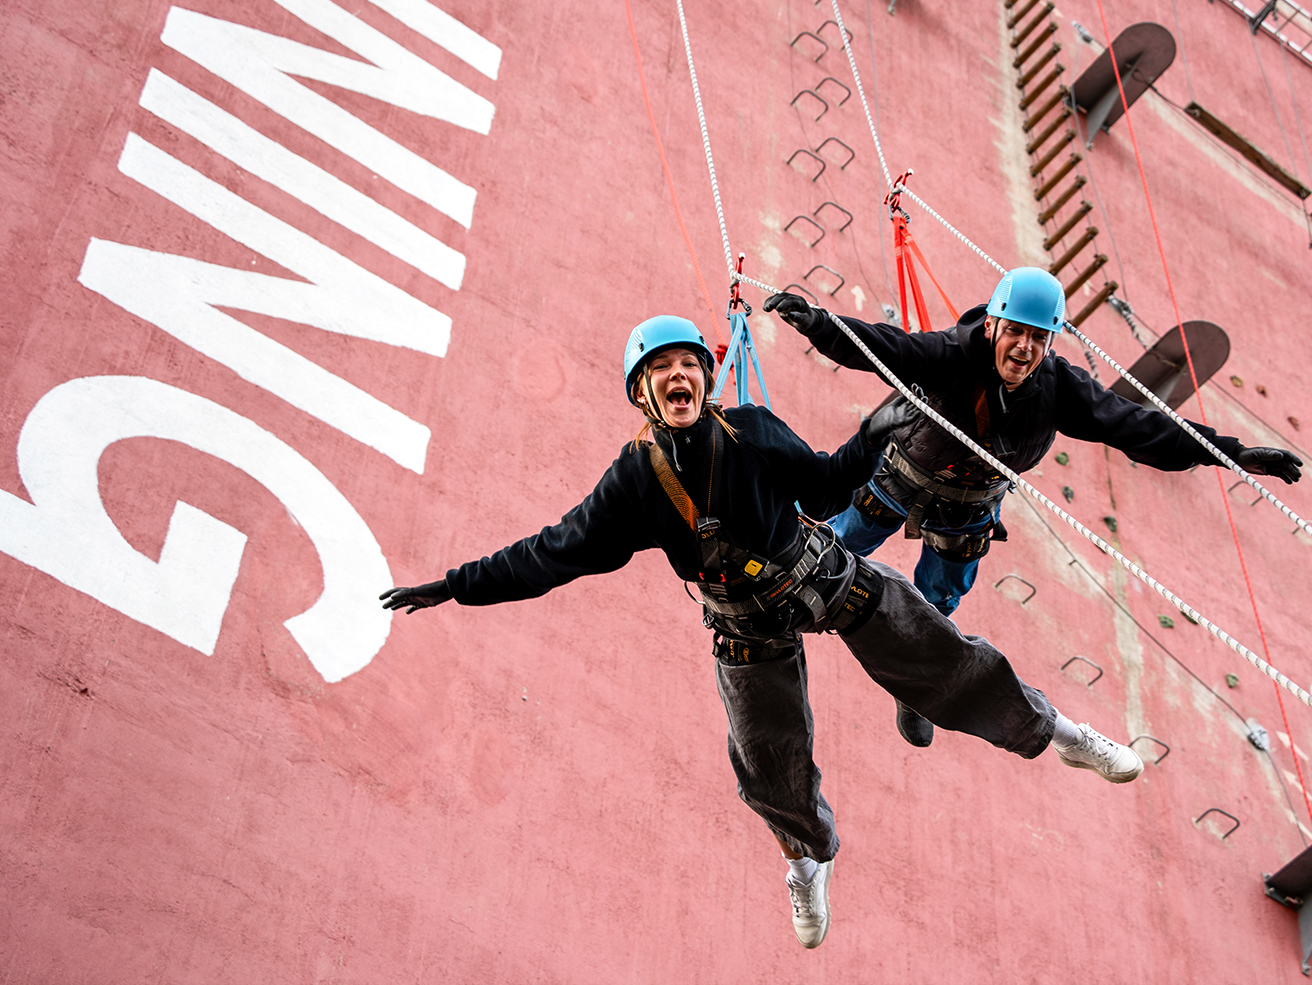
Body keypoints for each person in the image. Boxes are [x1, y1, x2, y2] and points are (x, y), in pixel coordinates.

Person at [380, 313, 1146, 950]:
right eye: (661, 371)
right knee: (767, 759)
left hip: (825, 579)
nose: (679, 378)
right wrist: (457, 586)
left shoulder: (748, 430)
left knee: (944, 662)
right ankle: (810, 857)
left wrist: (878, 430)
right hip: (744, 629)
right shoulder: (634, 483)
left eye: (689, 366)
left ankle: (1060, 733)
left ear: (703, 382)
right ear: (641, 393)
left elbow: (822, 480)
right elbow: (553, 552)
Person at [764, 269, 1304, 748]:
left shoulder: (1058, 388)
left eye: (1039, 338)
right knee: (832, 546)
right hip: (901, 479)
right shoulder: (951, 354)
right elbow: (882, 347)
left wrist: (1229, 454)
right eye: (1016, 332)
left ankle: (918, 687)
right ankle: (770, 602)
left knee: (936, 603)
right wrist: (817, 323)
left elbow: (1137, 426)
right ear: (994, 326)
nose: (1025, 348)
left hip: (969, 509)